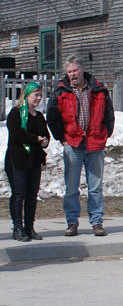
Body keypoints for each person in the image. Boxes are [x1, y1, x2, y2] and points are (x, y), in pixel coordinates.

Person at [47, 55, 115, 237]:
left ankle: (97, 222)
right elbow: (52, 116)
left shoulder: (99, 89)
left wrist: (106, 133)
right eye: (69, 72)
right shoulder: (61, 91)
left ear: (82, 69)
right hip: (73, 144)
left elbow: (109, 113)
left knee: (95, 187)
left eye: (75, 71)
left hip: (95, 144)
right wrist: (61, 138)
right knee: (71, 188)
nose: (72, 75)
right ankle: (72, 222)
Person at [4, 83, 50, 242]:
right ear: (27, 95)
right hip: (17, 160)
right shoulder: (16, 114)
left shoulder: (39, 116)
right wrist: (35, 139)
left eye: (39, 95)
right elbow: (17, 134)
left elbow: (45, 134)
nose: (38, 98)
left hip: (34, 160)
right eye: (35, 95)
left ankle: (30, 227)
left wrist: (44, 141)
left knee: (32, 195)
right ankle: (18, 227)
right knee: (19, 194)